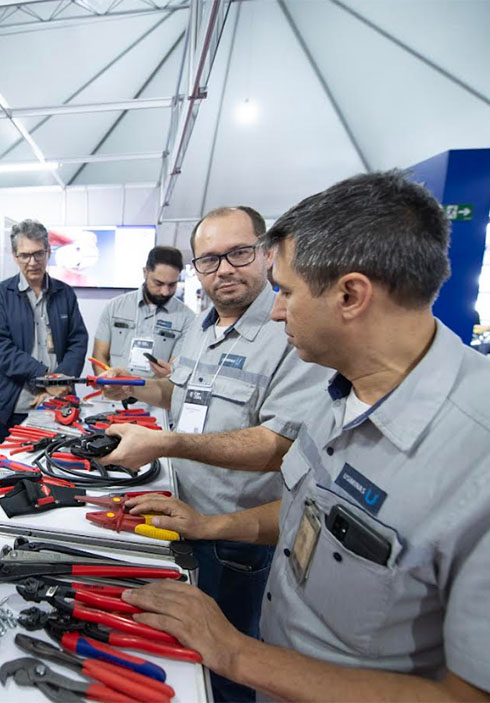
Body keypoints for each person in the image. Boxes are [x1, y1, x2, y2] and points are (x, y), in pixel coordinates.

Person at [119, 171, 490, 702]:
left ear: (351, 295)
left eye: (287, 291)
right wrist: (209, 524)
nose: (277, 310)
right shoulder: (343, 393)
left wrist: (236, 653)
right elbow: (312, 511)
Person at [100, 206, 329, 702]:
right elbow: (179, 396)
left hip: (236, 540)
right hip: (180, 516)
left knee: (228, 674)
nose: (223, 269)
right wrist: (132, 386)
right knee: (185, 662)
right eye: (208, 260)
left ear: (266, 253)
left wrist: (167, 443)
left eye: (238, 253)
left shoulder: (290, 331)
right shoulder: (201, 326)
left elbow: (279, 446)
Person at [0, 219, 89, 444]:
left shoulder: (65, 293)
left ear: (48, 252)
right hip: (17, 404)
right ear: (15, 256)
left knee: (60, 459)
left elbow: (78, 341)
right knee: (9, 463)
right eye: (25, 255)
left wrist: (58, 382)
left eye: (38, 254)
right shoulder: (0, 295)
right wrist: (45, 379)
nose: (32, 262)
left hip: (60, 403)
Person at [92, 245, 195, 378]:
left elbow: (175, 370)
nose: (165, 292)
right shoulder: (114, 307)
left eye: (172, 285)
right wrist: (107, 384)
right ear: (145, 272)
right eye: (158, 283)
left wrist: (169, 375)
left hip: (154, 391)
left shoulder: (188, 319)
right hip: (114, 389)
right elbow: (99, 356)